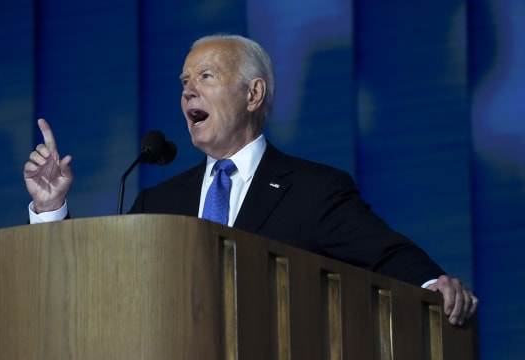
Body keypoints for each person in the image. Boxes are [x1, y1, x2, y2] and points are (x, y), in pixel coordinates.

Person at [24, 34, 478, 325]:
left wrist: (433, 287)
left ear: (253, 93)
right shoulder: (154, 204)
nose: (187, 92)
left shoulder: (314, 189)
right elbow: (95, 291)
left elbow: (385, 253)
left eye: (205, 76)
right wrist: (50, 211)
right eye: (184, 81)